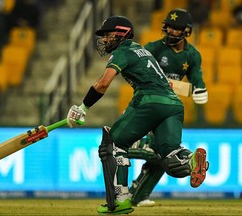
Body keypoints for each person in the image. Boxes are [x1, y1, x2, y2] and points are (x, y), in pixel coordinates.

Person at [66, 15, 208, 215]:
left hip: (149, 100)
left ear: (121, 34)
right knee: (168, 154)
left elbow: (103, 83)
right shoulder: (143, 51)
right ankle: (191, 160)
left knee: (113, 144)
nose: (105, 40)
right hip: (174, 104)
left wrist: (83, 108)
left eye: (108, 35)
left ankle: (120, 201)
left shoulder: (124, 51)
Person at [128, 8, 208, 207]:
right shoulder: (153, 48)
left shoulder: (192, 55)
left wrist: (199, 89)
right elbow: (136, 73)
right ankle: (190, 160)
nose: (171, 31)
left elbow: (197, 82)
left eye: (176, 28)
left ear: (186, 31)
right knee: (152, 151)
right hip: (146, 102)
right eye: (169, 27)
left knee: (161, 153)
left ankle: (136, 195)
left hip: (168, 107)